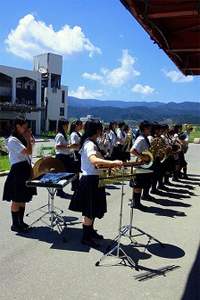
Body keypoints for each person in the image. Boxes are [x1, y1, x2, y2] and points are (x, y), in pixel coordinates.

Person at [69, 119, 123, 248]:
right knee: (89, 211)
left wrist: (109, 168)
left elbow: (98, 165)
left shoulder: (91, 142)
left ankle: (90, 232)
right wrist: (113, 163)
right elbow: (94, 161)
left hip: (93, 179)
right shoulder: (89, 144)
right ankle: (86, 237)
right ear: (97, 130)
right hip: (90, 180)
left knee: (91, 210)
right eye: (101, 129)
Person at [2, 116, 37, 232]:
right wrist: (27, 139)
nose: (26, 129)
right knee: (16, 199)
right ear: (17, 126)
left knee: (23, 198)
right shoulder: (13, 140)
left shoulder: (21, 137)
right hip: (17, 170)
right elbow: (28, 151)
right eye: (24, 127)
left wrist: (29, 138)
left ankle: (20, 221)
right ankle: (15, 224)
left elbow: (29, 153)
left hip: (25, 168)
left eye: (27, 127)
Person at [130, 120, 153, 211]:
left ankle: (137, 202)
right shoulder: (141, 139)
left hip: (144, 164)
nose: (150, 130)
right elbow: (132, 150)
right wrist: (143, 157)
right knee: (138, 185)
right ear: (146, 129)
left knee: (141, 184)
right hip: (140, 164)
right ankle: (136, 203)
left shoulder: (144, 138)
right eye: (149, 128)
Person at [55, 118, 78, 198]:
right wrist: (68, 146)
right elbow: (57, 147)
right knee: (61, 174)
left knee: (69, 173)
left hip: (66, 156)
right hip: (61, 157)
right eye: (66, 125)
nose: (67, 127)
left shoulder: (64, 134)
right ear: (62, 125)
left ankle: (72, 186)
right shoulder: (60, 135)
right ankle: (59, 190)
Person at [69, 120, 83, 191]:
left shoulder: (79, 133)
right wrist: (81, 145)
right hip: (75, 153)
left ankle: (76, 183)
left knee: (77, 169)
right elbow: (74, 144)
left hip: (79, 152)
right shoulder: (74, 134)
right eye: (80, 125)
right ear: (76, 125)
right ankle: (74, 184)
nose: (81, 126)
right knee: (75, 170)